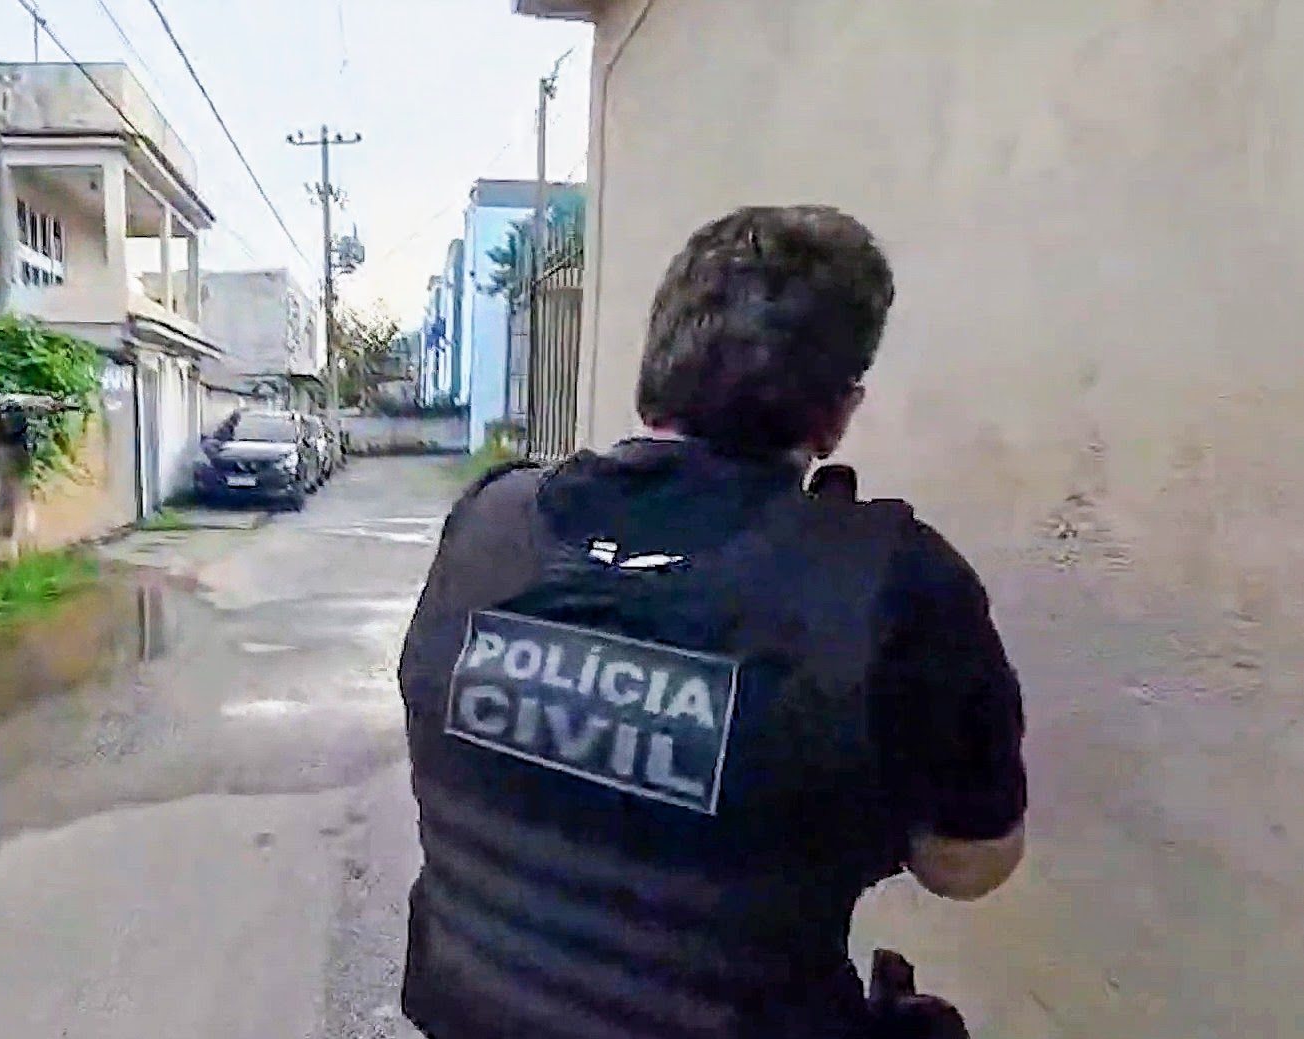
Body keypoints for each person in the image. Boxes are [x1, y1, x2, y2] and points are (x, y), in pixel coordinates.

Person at [397, 205, 1027, 1039]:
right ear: (836, 416)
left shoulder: (487, 523)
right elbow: (968, 865)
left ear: (655, 371)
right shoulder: (895, 587)